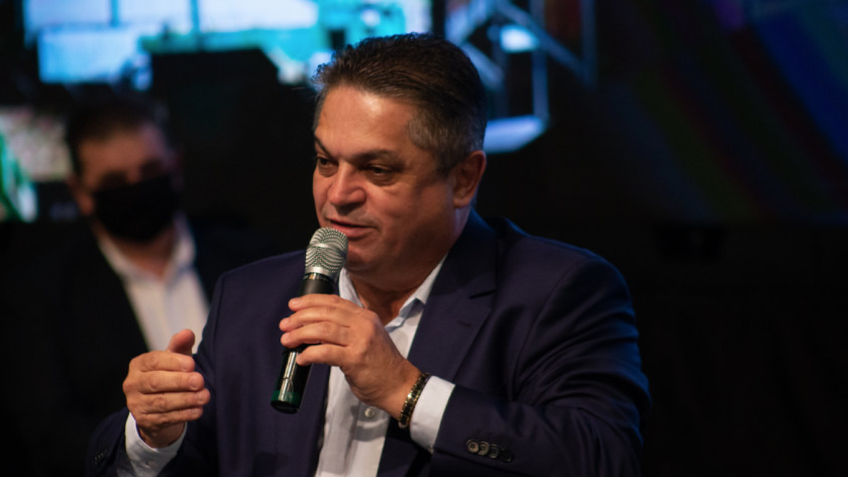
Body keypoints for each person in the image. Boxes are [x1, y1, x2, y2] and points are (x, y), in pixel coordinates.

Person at [86, 33, 650, 477]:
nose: (338, 194)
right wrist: (153, 434)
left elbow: (603, 458)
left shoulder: (556, 292)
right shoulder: (252, 297)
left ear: (463, 179)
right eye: (325, 162)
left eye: (377, 170)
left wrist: (405, 389)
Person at [0, 95, 276, 476]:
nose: (136, 188)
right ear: (80, 192)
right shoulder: (41, 296)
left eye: (150, 171)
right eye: (114, 182)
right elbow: (50, 436)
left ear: (175, 166)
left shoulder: (251, 260)